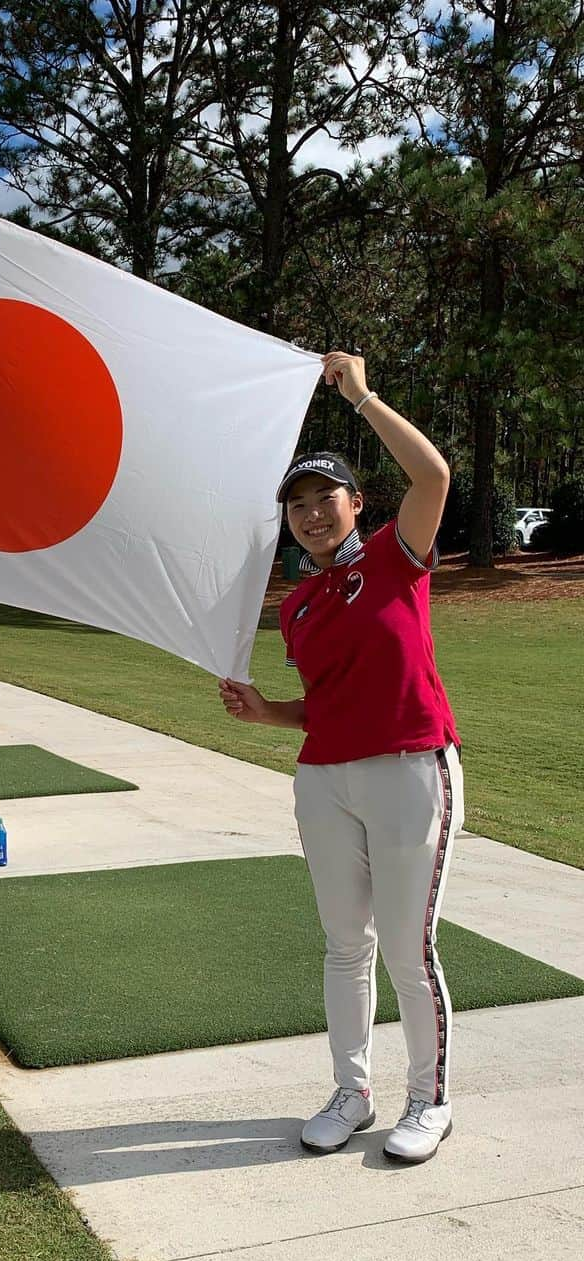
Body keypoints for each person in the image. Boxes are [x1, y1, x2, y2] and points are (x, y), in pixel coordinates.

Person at [219, 351, 462, 1166]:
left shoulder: (396, 557)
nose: (313, 513)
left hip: (409, 768)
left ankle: (428, 1101)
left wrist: (360, 396)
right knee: (343, 943)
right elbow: (323, 706)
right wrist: (267, 713)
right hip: (325, 778)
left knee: (405, 947)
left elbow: (432, 477)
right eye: (298, 505)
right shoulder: (300, 605)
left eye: (327, 498)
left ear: (357, 504)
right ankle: (351, 1092)